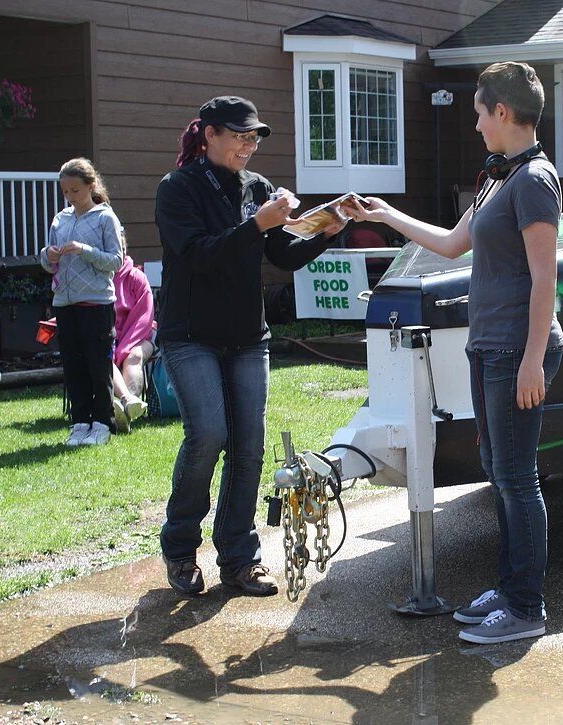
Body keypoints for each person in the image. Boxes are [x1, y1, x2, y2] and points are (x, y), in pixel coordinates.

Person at [348, 61, 563, 645]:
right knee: (498, 473)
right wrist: (385, 215)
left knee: (518, 479)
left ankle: (526, 607)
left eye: (477, 113)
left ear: (502, 112)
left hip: (516, 351)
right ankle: (510, 585)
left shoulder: (535, 180)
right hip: (488, 346)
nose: (473, 125)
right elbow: (450, 245)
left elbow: (546, 280)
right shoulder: (500, 176)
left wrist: (530, 360)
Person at [155, 96, 345, 598]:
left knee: (249, 448)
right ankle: (179, 548)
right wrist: (256, 224)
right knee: (208, 435)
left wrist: (328, 228)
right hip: (190, 334)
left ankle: (239, 558)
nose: (248, 144)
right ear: (210, 134)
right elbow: (198, 256)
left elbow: (283, 255)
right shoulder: (177, 189)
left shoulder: (256, 189)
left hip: (246, 337)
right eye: (239, 135)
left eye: (255, 136)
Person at [39, 158, 123, 447]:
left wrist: (84, 250)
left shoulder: (104, 218)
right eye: (65, 192)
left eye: (75, 190)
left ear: (91, 186)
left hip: (97, 304)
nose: (70, 197)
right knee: (73, 366)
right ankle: (80, 422)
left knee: (98, 365)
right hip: (65, 303)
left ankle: (102, 422)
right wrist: (47, 255)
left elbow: (116, 261)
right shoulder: (60, 220)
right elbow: (49, 264)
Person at [110, 234, 155, 433]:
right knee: (103, 357)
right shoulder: (99, 280)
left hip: (141, 336)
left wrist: (123, 347)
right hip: (109, 340)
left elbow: (143, 318)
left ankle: (126, 410)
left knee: (134, 355)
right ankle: (126, 406)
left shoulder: (137, 278)